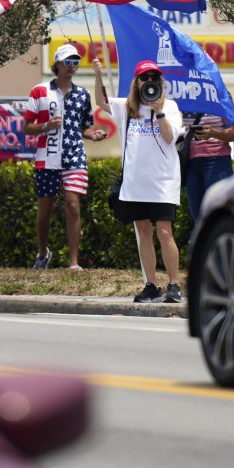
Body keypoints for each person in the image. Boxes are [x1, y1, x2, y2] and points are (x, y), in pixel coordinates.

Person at [95, 58, 185, 303]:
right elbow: (101, 101)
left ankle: (174, 285)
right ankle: (151, 285)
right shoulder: (127, 108)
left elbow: (169, 138)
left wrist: (159, 112)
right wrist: (98, 74)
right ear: (136, 82)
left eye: (154, 78)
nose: (150, 82)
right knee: (143, 232)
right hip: (136, 184)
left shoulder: (172, 107)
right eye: (145, 78)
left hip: (163, 183)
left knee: (164, 233)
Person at [23, 44, 106, 271]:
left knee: (73, 206)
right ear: (57, 64)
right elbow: (27, 128)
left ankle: (73, 263)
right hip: (47, 156)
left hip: (74, 155)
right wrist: (46, 126)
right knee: (45, 208)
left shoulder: (82, 94)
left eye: (75, 62)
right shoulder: (40, 91)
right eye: (67, 62)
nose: (72, 66)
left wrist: (93, 134)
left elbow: (85, 127)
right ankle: (43, 252)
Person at [183, 111, 234, 223]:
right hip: (191, 163)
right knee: (198, 218)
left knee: (219, 213)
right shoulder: (184, 95)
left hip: (217, 161)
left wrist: (213, 133)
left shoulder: (221, 95)